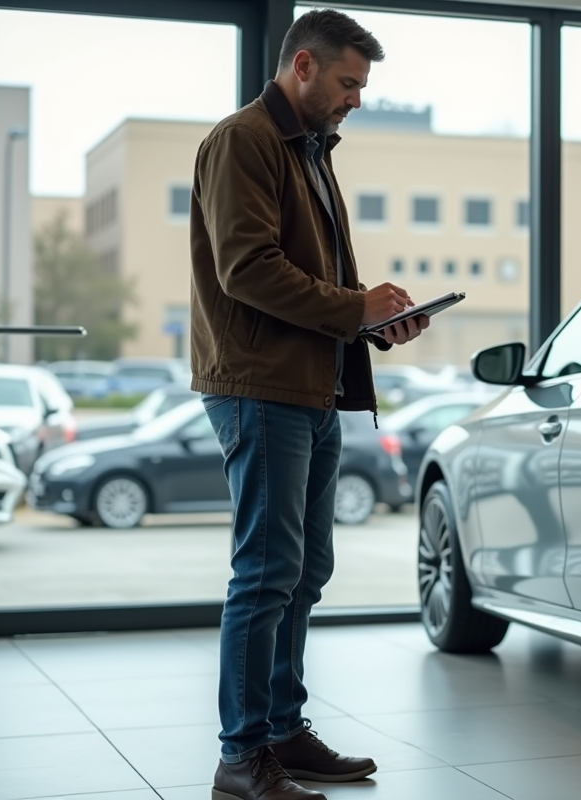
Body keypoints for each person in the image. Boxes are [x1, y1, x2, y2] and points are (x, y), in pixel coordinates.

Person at [189, 9, 428, 800]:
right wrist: (355, 307)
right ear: (302, 66)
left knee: (305, 570)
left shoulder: (310, 152)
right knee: (265, 573)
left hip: (311, 386)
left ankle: (283, 731)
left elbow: (322, 291)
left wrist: (374, 322)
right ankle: (241, 755)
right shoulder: (245, 141)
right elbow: (247, 269)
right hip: (259, 386)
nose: (356, 98)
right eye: (349, 82)